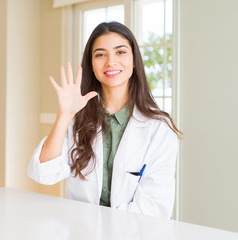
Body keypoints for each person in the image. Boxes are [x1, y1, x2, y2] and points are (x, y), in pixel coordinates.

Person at [28, 21, 181, 219]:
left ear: (134, 60)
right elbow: (43, 173)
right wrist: (64, 114)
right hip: (81, 231)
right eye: (100, 54)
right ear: (91, 65)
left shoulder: (159, 129)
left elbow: (155, 207)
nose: (110, 62)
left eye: (121, 52)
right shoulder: (78, 119)